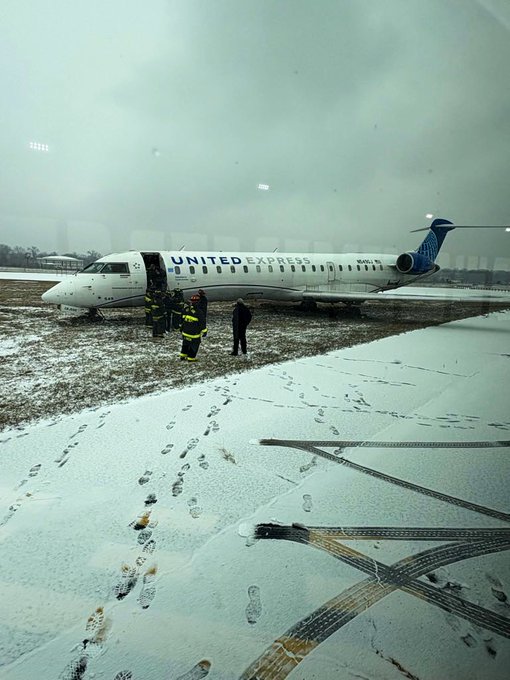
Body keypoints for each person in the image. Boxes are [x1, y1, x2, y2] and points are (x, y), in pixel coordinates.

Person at [179, 293, 207, 361]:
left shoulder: (186, 309)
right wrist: (204, 331)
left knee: (185, 343)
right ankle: (191, 358)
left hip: (185, 332)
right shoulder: (199, 312)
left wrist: (181, 327)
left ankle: (183, 356)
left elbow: (181, 319)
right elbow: (202, 322)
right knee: (194, 345)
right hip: (194, 334)